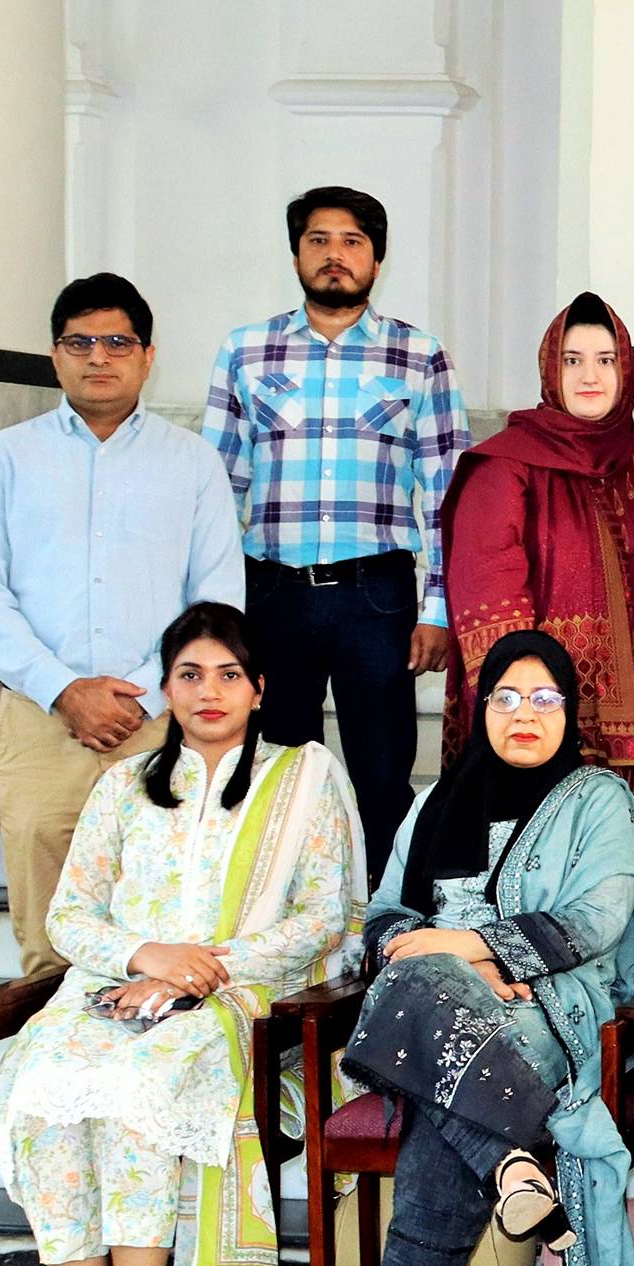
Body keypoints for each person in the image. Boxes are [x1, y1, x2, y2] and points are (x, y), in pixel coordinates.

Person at [0, 603, 357, 1266]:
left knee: (138, 1097)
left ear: (259, 689)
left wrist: (201, 970)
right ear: (165, 690)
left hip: (235, 1001)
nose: (209, 691)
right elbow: (70, 916)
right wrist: (145, 957)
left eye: (229, 675)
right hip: (114, 990)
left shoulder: (299, 779)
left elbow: (325, 915)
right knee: (35, 1088)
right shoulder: (125, 785)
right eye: (190, 674)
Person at [339, 631, 634, 1266]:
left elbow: (598, 918)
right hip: (434, 1005)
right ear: (480, 708)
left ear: (570, 710)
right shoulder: (436, 799)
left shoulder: (597, 800)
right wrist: (433, 962)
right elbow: (383, 915)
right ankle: (515, 1171)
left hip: (544, 1007)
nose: (525, 715)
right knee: (435, 1029)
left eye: (545, 698)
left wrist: (466, 950)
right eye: (507, 698)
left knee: (434, 1065)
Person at [0, 273, 241, 977]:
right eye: (79, 341)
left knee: (169, 915)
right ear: (55, 355)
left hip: (160, 724)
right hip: (39, 721)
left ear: (148, 356)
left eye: (118, 341)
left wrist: (145, 693)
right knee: (47, 932)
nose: (98, 356)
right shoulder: (5, 458)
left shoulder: (193, 463)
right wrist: (64, 689)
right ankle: (48, 1074)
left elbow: (214, 602)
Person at [207, 186, 468, 876]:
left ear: (377, 261)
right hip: (270, 598)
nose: (335, 256)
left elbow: (447, 494)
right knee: (274, 775)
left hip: (375, 598)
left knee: (383, 781)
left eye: (352, 242)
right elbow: (213, 490)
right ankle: (285, 924)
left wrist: (438, 609)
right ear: (296, 252)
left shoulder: (419, 356)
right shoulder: (246, 352)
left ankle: (385, 933)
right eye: (319, 239)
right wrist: (216, 614)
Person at [437, 292, 634, 809]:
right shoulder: (502, 466)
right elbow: (490, 604)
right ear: (550, 369)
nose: (590, 376)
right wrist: (526, 709)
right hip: (534, 725)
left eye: (605, 360)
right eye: (572, 360)